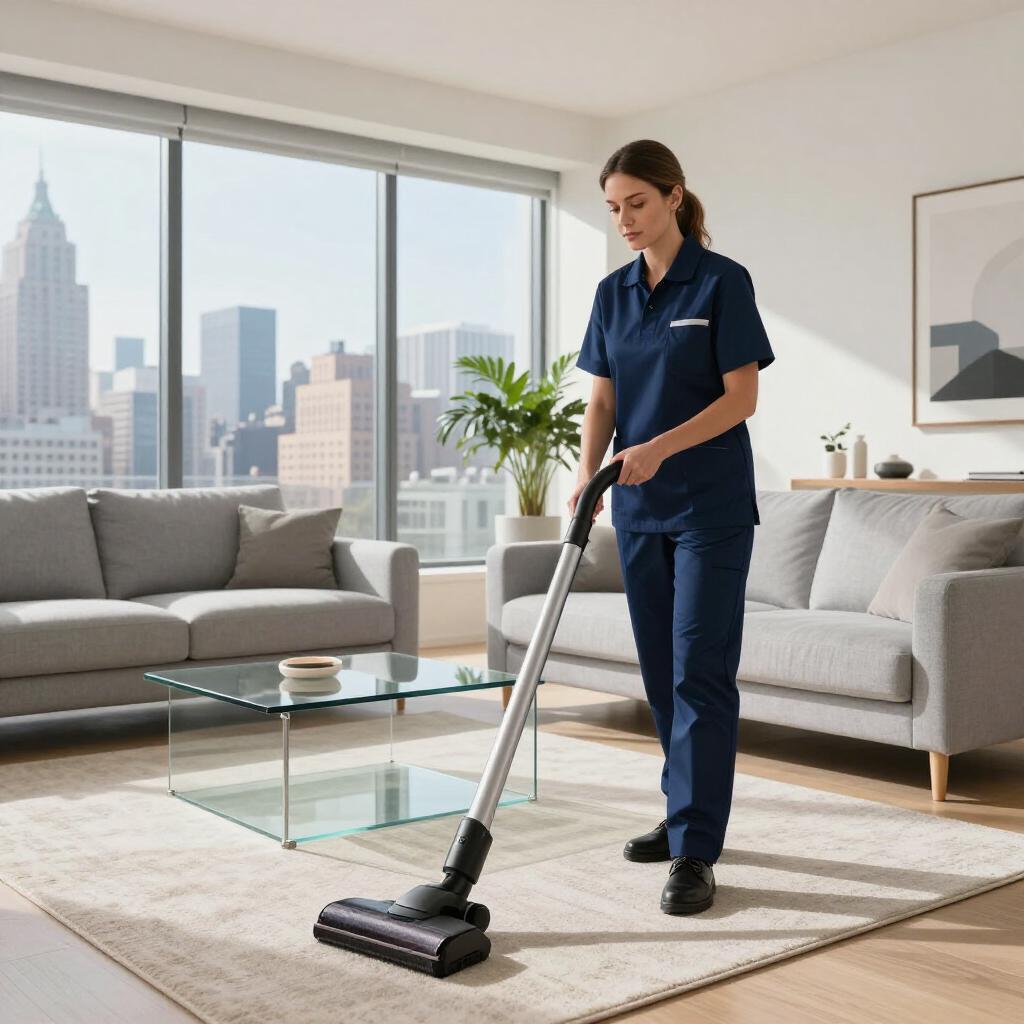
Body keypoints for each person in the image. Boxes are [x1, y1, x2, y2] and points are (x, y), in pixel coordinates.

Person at [569, 139, 774, 915]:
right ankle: (683, 808)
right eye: (615, 208)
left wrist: (657, 447)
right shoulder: (612, 293)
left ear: (676, 197)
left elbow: (740, 400)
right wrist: (589, 474)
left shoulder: (722, 282)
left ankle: (694, 847)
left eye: (638, 203)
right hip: (636, 507)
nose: (625, 219)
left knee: (699, 669)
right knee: (659, 672)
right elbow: (602, 403)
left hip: (712, 507)